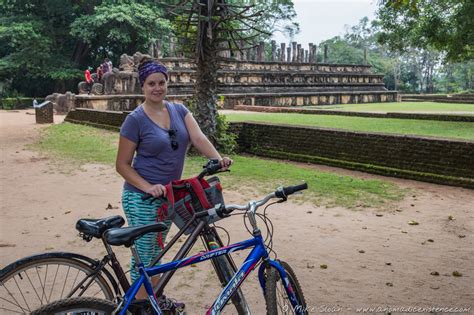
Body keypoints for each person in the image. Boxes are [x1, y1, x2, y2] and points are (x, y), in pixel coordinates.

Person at [115, 57, 232, 298]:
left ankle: (153, 301)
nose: (157, 88)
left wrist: (218, 159)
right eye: (151, 84)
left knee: (156, 253)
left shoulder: (179, 110)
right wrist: (148, 187)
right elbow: (122, 165)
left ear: (167, 83)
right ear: (142, 87)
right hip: (141, 198)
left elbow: (198, 138)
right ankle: (140, 306)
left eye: (161, 82)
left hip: (167, 196)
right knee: (145, 257)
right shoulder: (135, 120)